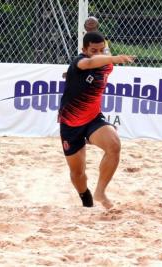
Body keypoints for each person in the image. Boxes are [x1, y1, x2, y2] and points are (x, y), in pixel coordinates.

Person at [59, 31, 135, 209]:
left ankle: (100, 191)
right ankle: (86, 199)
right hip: (71, 124)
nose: (99, 53)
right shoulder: (79, 61)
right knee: (78, 173)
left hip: (93, 119)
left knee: (114, 144)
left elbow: (96, 63)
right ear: (83, 49)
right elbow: (90, 63)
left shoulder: (106, 66)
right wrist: (113, 58)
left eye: (102, 50)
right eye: (94, 50)